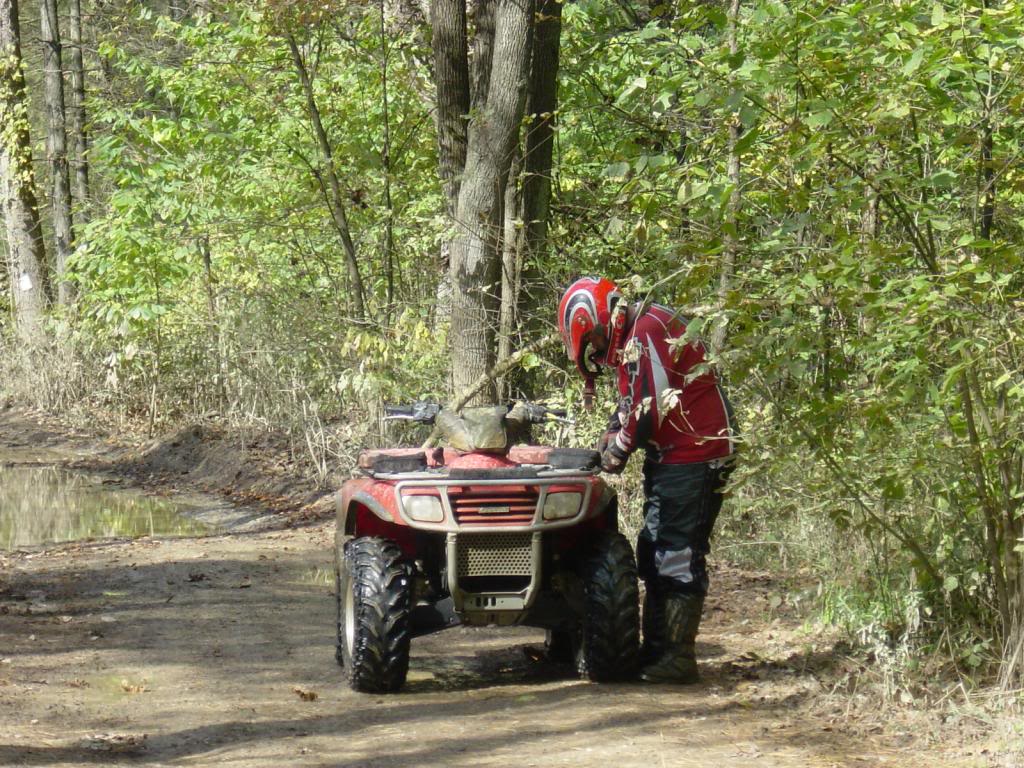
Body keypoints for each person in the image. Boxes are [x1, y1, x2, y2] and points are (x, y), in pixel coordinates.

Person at [557, 276, 736, 683]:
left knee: (675, 552)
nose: (599, 352)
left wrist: (618, 449)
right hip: (675, 455)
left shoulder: (649, 329)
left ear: (600, 321)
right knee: (655, 548)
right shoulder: (637, 336)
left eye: (596, 342)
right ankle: (656, 652)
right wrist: (609, 433)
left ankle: (674, 657)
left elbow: (648, 408)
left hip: (697, 454)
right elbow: (631, 400)